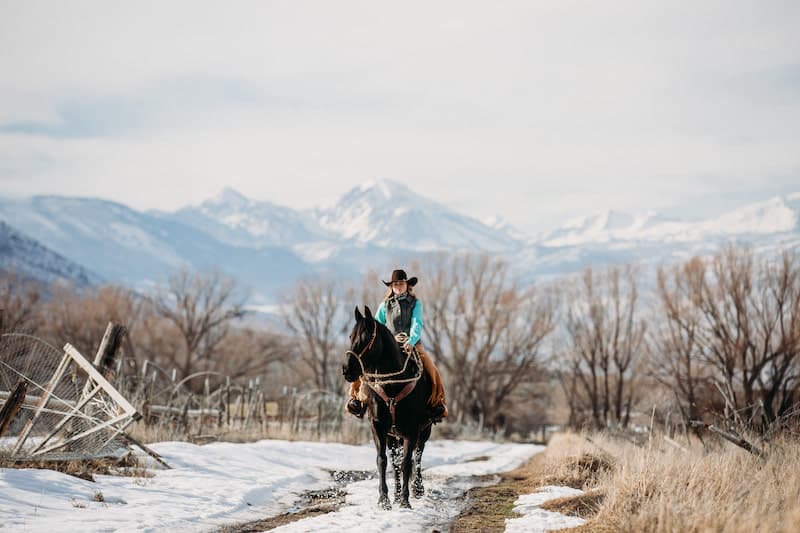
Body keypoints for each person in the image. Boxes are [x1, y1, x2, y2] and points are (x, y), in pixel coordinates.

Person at [346, 269, 448, 423]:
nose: (398, 286)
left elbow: (417, 323)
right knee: (365, 365)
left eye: (401, 284)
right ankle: (357, 400)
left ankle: (436, 404)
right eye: (395, 284)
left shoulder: (415, 303)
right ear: (391, 287)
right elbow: (376, 326)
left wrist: (411, 341)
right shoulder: (385, 305)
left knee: (431, 368)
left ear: (407, 285)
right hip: (389, 345)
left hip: (411, 344)